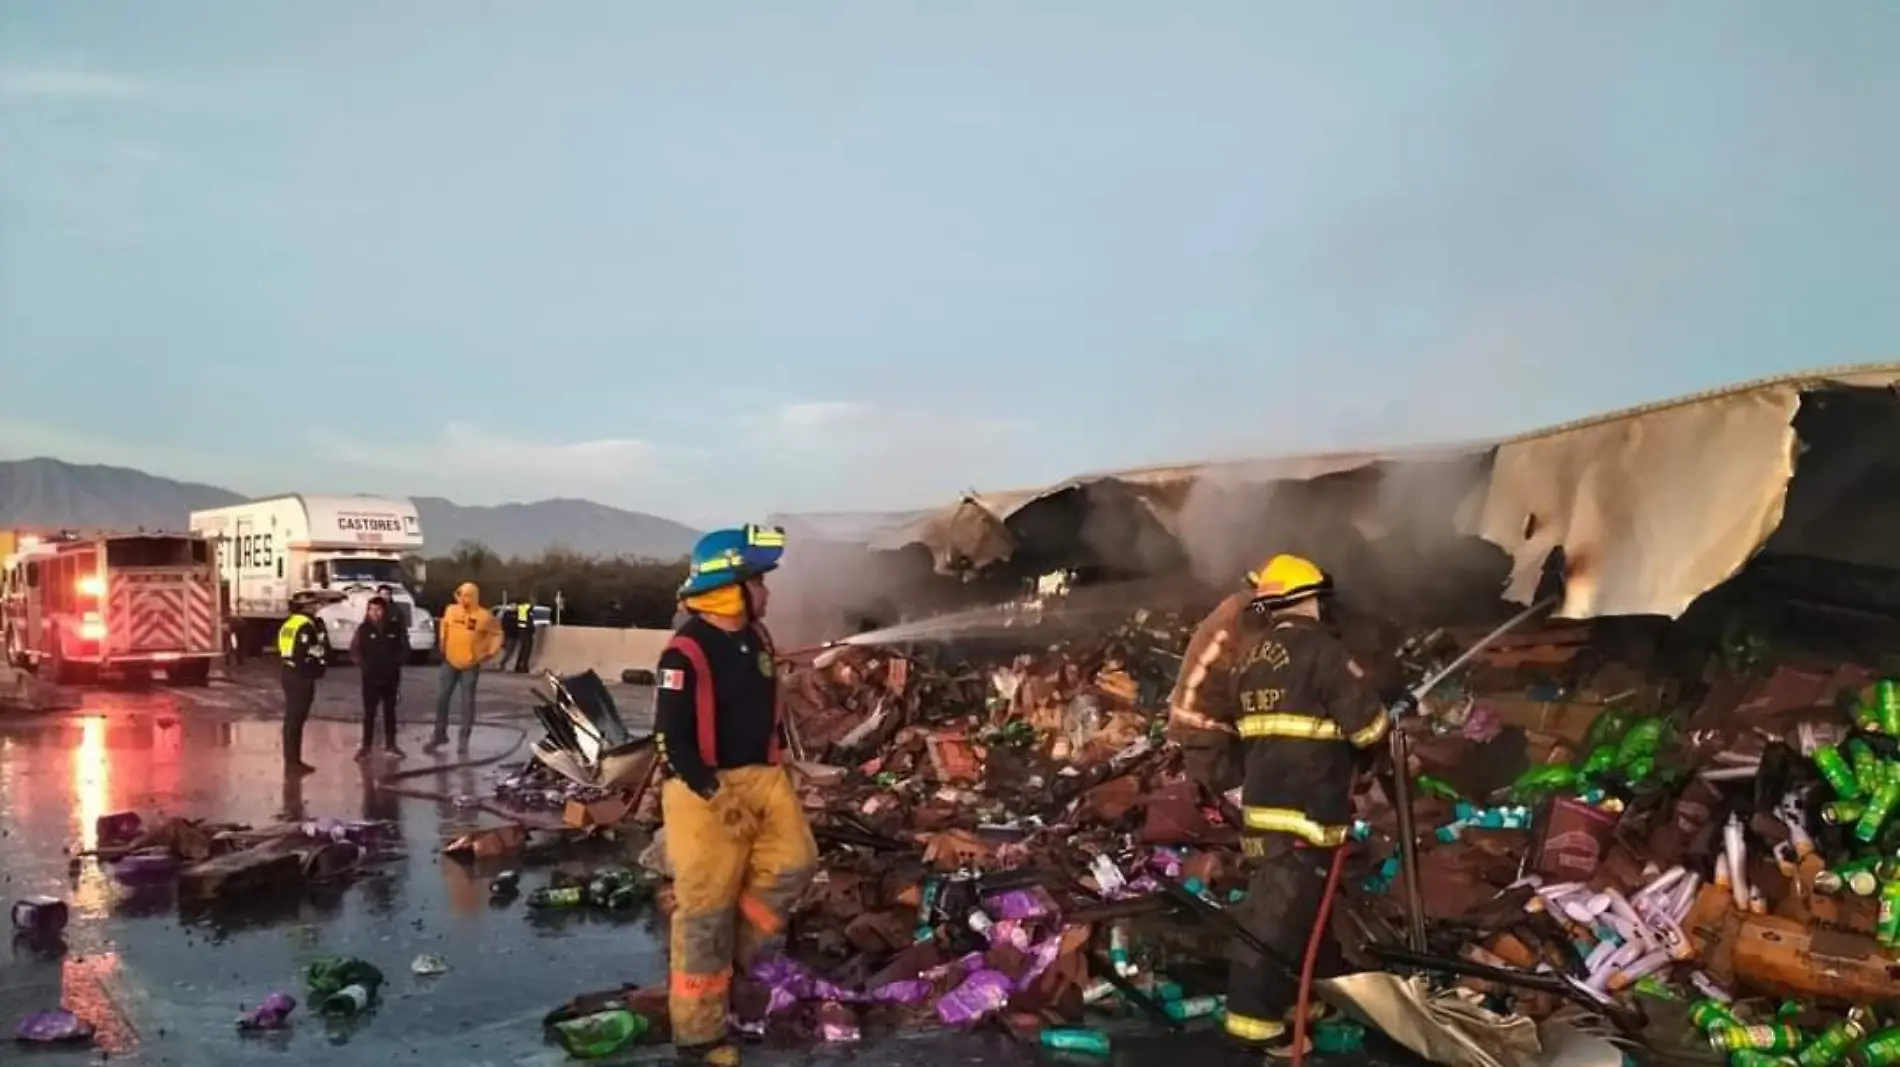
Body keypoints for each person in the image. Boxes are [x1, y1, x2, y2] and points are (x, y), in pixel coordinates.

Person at [1207, 554, 1390, 1058]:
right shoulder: (1323, 652)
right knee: (1273, 918)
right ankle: (1255, 1023)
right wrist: (1384, 716)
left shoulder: (1249, 658)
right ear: (1309, 598)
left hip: (1264, 807)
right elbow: (1368, 728)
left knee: (1296, 914)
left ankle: (1294, 999)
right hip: (1307, 809)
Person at [655, 524, 815, 1067]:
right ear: (731, 585)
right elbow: (670, 739)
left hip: (764, 777)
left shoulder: (756, 639)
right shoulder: (685, 652)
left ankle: (737, 954)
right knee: (704, 913)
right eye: (759, 581)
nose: (767, 592)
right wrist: (714, 792)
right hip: (705, 791)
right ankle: (698, 1039)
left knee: (795, 862)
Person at [427, 582, 501, 756]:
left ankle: (464, 738)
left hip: (471, 664)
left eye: (468, 595)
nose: (464, 599)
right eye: (461, 595)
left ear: (474, 596)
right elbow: (444, 627)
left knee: (467, 702)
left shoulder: (484, 616)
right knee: (442, 698)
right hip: (450, 662)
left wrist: (488, 653)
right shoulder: (451, 610)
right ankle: (439, 734)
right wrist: (442, 646)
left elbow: (497, 634)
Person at [278, 591, 332, 776]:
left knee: (293, 719)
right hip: (300, 675)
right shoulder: (306, 626)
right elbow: (307, 652)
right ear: (306, 607)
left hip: (289, 671)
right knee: (295, 719)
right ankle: (293, 762)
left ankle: (293, 760)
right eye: (314, 605)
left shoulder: (291, 623)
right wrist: (319, 664)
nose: (317, 608)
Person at [350, 595, 410, 761]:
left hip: (391, 677)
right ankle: (366, 747)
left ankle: (391, 745)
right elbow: (355, 651)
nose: (375, 613)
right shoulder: (363, 629)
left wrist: (396, 662)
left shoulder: (395, 628)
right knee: (369, 713)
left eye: (378, 610)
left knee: (390, 712)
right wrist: (364, 665)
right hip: (370, 678)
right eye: (371, 610)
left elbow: (405, 648)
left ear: (384, 611)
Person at [511, 596, 536, 673]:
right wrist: (532, 629)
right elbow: (529, 622)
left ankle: (518, 666)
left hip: (522, 631)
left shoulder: (522, 608)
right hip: (526, 631)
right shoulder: (527, 608)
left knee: (522, 649)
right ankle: (524, 667)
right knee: (526, 650)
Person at [497, 599, 520, 669]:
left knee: (510, 651)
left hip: (514, 635)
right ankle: (501, 663)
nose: (514, 608)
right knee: (508, 650)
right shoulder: (507, 614)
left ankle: (502, 663)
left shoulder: (518, 615)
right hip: (507, 634)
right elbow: (503, 624)